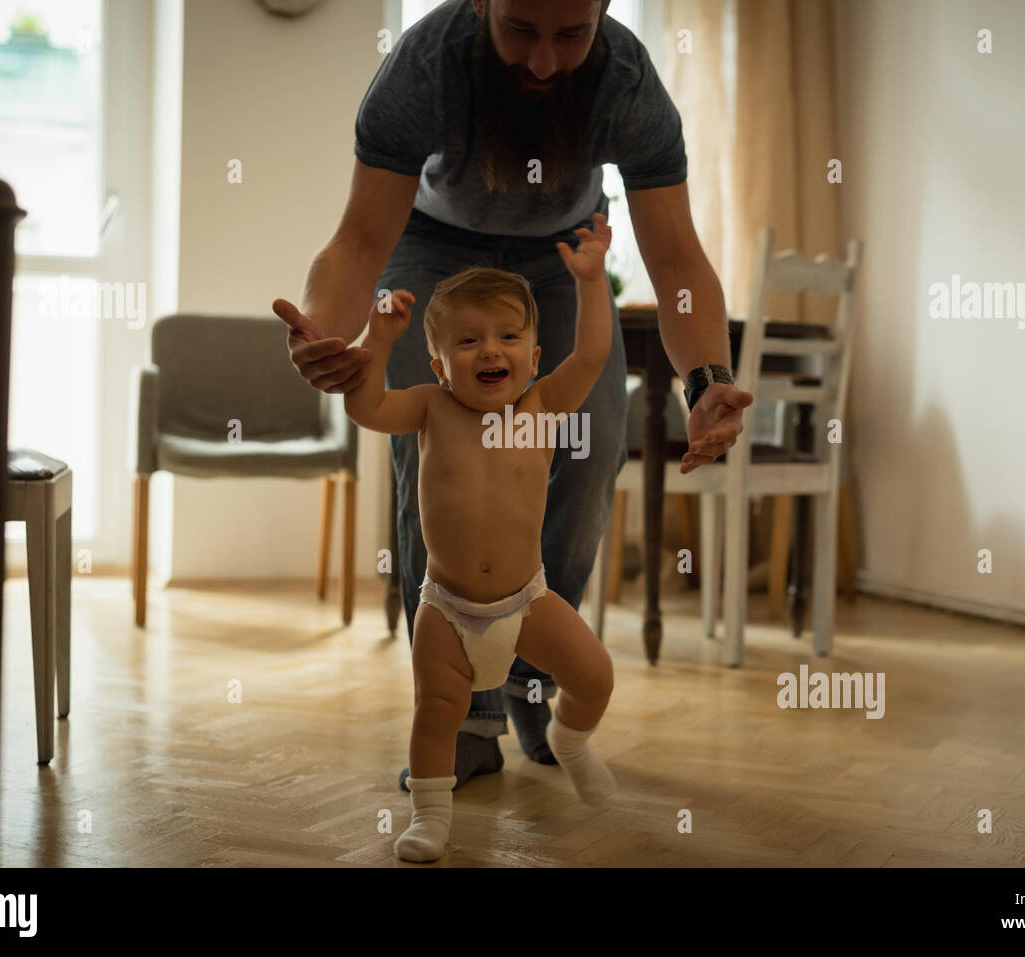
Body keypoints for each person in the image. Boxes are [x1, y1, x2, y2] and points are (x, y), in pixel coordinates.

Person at [273, 0, 752, 793]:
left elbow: (675, 255)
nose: (542, 62)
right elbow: (361, 238)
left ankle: (533, 675)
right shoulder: (424, 66)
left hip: (562, 253)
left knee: (592, 443)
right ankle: (462, 714)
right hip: (430, 246)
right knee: (435, 454)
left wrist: (706, 379)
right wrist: (323, 333)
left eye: (571, 35)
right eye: (520, 31)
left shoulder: (628, 83)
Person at [325, 213, 615, 861]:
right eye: (468, 340)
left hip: (526, 605)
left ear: (534, 357)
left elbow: (593, 355)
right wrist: (376, 334)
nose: (491, 350)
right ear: (438, 362)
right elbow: (364, 407)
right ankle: (430, 815)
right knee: (436, 712)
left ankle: (569, 740)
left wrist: (591, 281)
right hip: (447, 611)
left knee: (594, 673)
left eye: (508, 336)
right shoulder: (430, 406)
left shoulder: (542, 407)